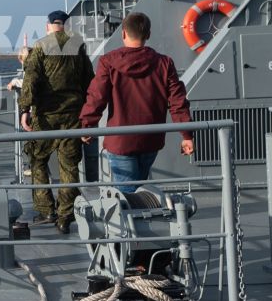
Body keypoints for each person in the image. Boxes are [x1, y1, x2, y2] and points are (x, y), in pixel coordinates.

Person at [76, 12, 193, 192]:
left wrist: (87, 125)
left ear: (123, 33)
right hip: (151, 139)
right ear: (148, 35)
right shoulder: (165, 63)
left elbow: (97, 96)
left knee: (128, 199)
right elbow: (177, 101)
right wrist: (186, 135)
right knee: (138, 191)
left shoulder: (108, 62)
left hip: (120, 140)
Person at [19, 11, 94, 233]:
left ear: (49, 26)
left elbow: (30, 79)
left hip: (45, 116)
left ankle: (46, 208)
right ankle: (65, 216)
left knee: (38, 159)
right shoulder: (78, 45)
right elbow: (89, 80)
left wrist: (25, 109)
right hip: (73, 114)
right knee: (69, 166)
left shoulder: (41, 46)